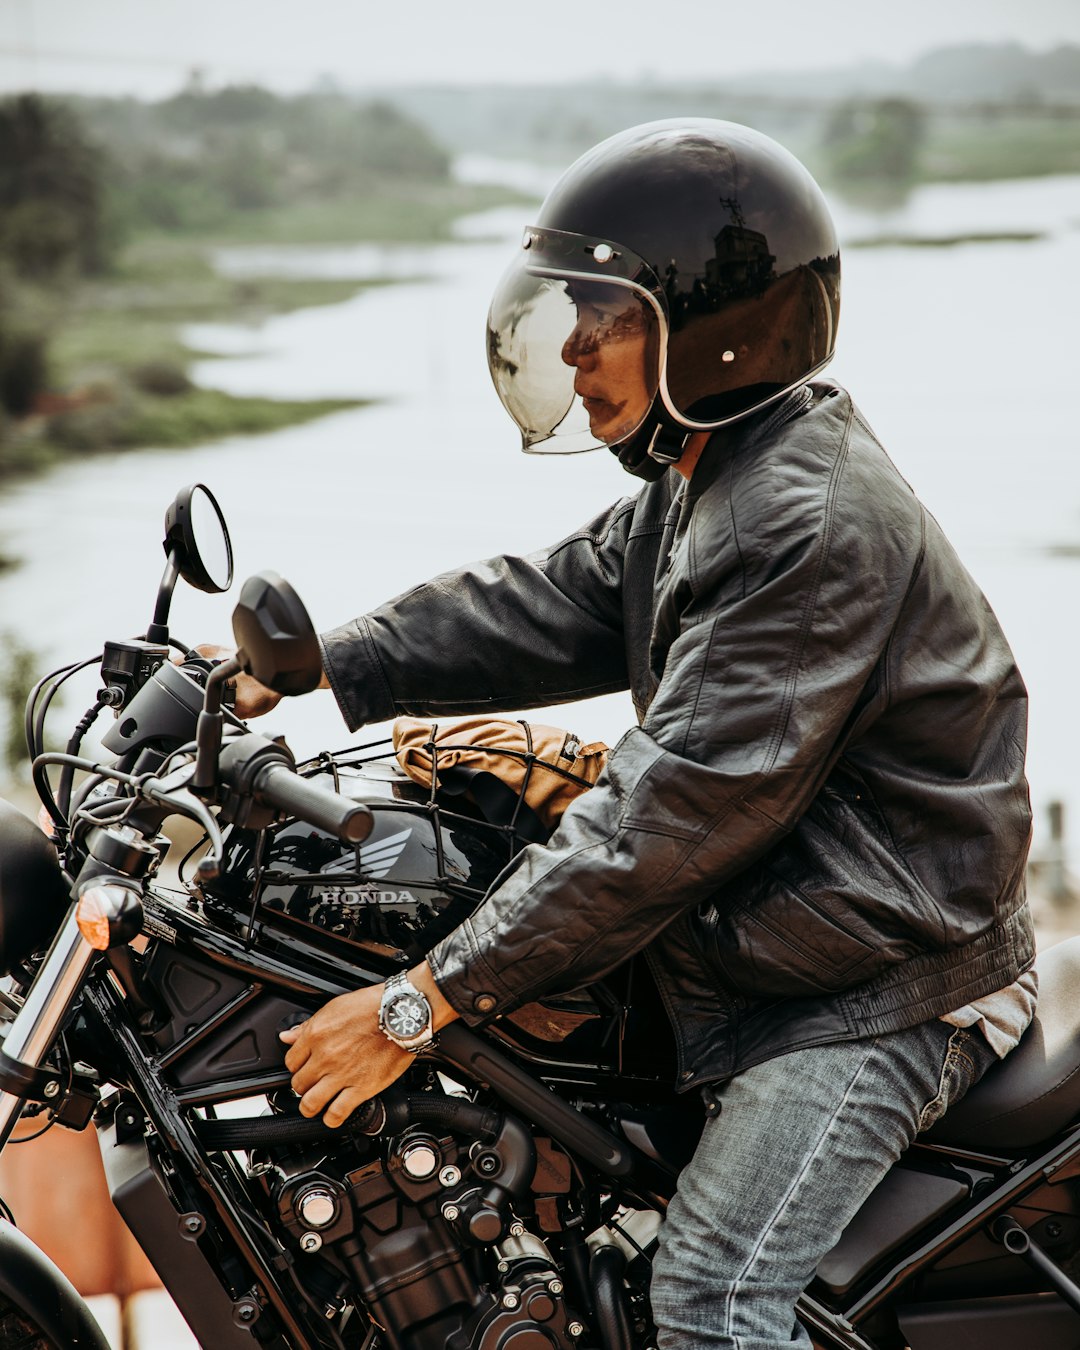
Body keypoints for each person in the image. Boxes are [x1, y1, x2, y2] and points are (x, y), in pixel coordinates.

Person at [221, 120, 1036, 1349]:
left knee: (709, 1301)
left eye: (605, 317)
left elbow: (665, 821)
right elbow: (550, 600)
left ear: (713, 329)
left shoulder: (800, 523)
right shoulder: (708, 476)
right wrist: (325, 663)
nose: (573, 348)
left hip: (888, 984)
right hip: (781, 946)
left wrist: (419, 1005)